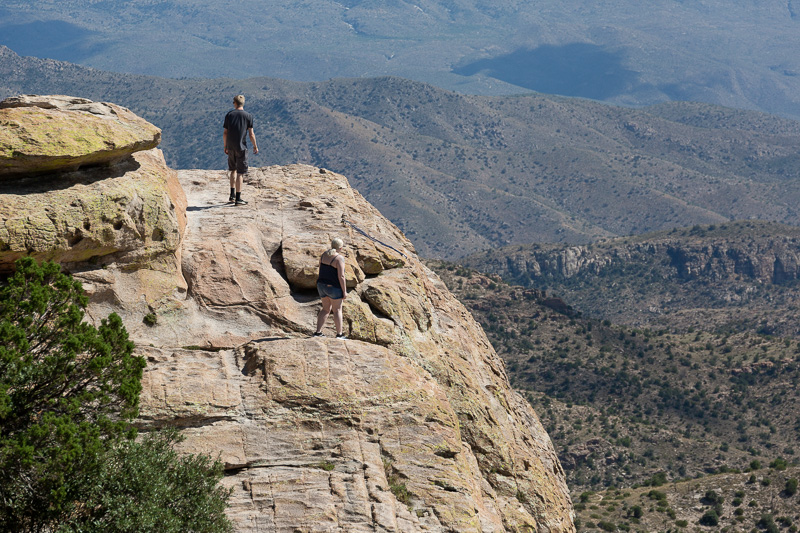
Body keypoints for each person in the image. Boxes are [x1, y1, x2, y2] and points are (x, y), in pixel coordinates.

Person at [223, 95, 258, 206]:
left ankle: (232, 195)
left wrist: (225, 146)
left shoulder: (229, 115)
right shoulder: (248, 116)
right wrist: (255, 146)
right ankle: (238, 198)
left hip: (231, 147)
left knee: (232, 170)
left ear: (235, 103)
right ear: (243, 103)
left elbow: (225, 133)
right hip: (241, 147)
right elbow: (251, 134)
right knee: (240, 173)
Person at [313, 238, 348, 339]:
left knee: (325, 309)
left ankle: (318, 332)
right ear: (340, 248)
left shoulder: (324, 254)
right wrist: (344, 291)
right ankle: (339, 334)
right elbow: (341, 276)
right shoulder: (339, 259)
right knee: (337, 310)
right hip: (333, 287)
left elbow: (320, 268)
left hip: (321, 285)